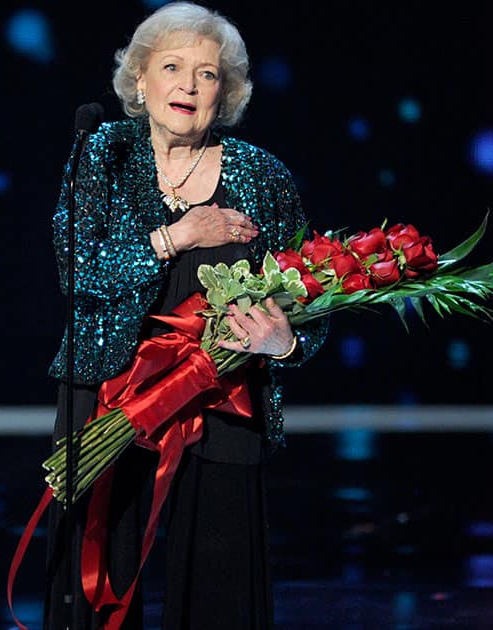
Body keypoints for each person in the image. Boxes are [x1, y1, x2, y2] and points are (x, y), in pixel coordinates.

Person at [44, 3, 328, 629]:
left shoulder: (263, 174)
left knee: (221, 578)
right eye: (172, 67)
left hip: (224, 397)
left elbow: (313, 297)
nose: (189, 85)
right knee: (95, 580)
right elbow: (79, 275)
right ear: (139, 80)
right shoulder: (103, 156)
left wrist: (285, 343)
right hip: (108, 392)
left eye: (207, 74)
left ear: (224, 92)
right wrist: (176, 236)